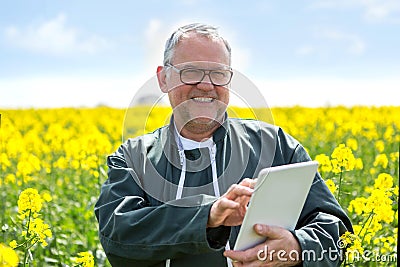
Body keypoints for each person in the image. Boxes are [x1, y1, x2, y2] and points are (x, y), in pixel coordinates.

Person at [94, 23, 352, 267]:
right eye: (191, 71)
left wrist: (297, 247)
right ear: (163, 79)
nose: (206, 85)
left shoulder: (277, 146)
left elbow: (336, 231)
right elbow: (118, 236)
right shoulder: (133, 158)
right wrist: (208, 215)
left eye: (218, 74)